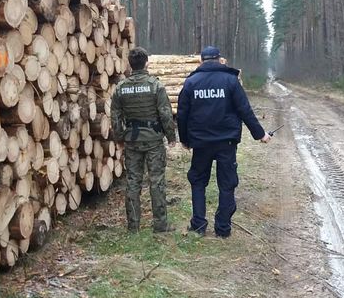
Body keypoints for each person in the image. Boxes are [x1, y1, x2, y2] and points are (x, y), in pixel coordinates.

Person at [177, 46, 271, 238]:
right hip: (226, 143)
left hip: (201, 143)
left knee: (198, 182)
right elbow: (245, 110)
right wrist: (260, 134)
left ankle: (198, 226)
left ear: (201, 61)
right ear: (220, 59)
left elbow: (182, 115)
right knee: (227, 184)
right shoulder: (230, 81)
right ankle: (223, 229)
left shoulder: (191, 82)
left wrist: (185, 140)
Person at [111, 47, 177, 233]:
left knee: (133, 182)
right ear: (146, 62)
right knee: (156, 181)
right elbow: (165, 114)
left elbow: (115, 117)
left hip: (132, 141)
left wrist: (119, 138)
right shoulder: (156, 85)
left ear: (130, 64)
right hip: (154, 141)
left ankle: (133, 226)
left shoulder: (121, 88)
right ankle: (161, 225)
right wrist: (171, 137)